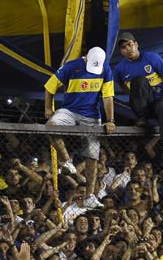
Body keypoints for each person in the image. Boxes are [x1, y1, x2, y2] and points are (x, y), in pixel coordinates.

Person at [43, 46, 115, 205]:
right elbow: (49, 87)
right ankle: (67, 160)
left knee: (93, 155)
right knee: (51, 125)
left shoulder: (106, 69)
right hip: (69, 110)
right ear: (86, 58)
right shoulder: (71, 66)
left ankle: (90, 196)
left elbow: (108, 97)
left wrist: (110, 120)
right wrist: (48, 108)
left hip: (92, 114)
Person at [112, 31, 163, 172]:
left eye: (130, 45)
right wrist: (135, 95)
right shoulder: (120, 68)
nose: (128, 49)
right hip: (143, 106)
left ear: (136, 44)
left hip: (161, 98)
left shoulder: (152, 58)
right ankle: (142, 116)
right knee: (139, 80)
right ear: (121, 51)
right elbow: (122, 86)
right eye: (124, 47)